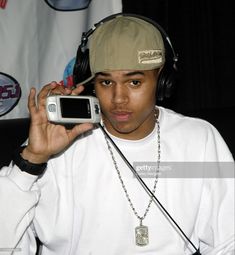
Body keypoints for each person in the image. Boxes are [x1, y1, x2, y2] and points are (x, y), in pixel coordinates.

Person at [0, 13, 234, 255]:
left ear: (163, 80)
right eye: (106, 83)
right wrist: (30, 162)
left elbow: (229, 241)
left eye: (134, 82)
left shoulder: (201, 140)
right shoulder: (54, 145)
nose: (118, 99)